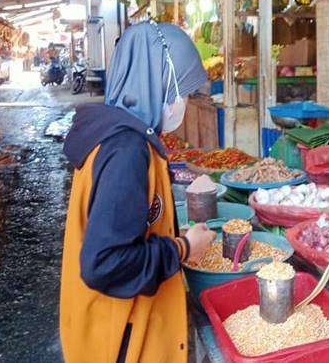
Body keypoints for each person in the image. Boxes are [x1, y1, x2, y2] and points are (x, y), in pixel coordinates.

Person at [60, 20, 214, 363]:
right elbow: (106, 264)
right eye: (182, 92)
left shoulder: (115, 134)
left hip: (111, 333)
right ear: (160, 83)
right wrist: (184, 248)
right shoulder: (126, 152)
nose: (184, 102)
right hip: (121, 343)